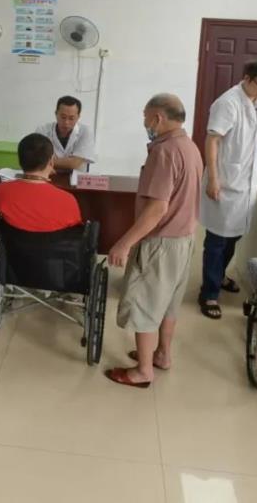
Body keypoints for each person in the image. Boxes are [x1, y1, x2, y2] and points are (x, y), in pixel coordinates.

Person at [104, 94, 203, 389]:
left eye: (145, 117)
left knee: (145, 304)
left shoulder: (164, 151)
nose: (144, 123)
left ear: (158, 118)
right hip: (184, 239)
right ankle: (162, 354)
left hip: (161, 243)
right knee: (169, 302)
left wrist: (124, 243)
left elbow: (157, 208)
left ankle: (143, 371)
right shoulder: (190, 147)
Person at [198, 59, 257, 319]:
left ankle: (219, 276)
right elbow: (212, 141)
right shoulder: (227, 103)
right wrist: (213, 179)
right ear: (246, 78)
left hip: (248, 184)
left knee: (233, 236)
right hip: (226, 181)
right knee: (217, 240)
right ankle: (209, 293)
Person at [0, 133, 82, 232]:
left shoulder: (1, 191)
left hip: (13, 242)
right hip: (53, 242)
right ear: (51, 162)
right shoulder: (68, 200)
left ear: (20, 161)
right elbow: (74, 234)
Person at [35, 96, 97, 172]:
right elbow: (36, 159)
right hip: (48, 176)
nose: (66, 122)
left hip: (76, 178)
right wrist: (68, 161)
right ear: (56, 114)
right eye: (63, 117)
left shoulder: (86, 131)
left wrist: (46, 162)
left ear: (78, 117)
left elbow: (74, 164)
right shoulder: (42, 130)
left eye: (71, 118)